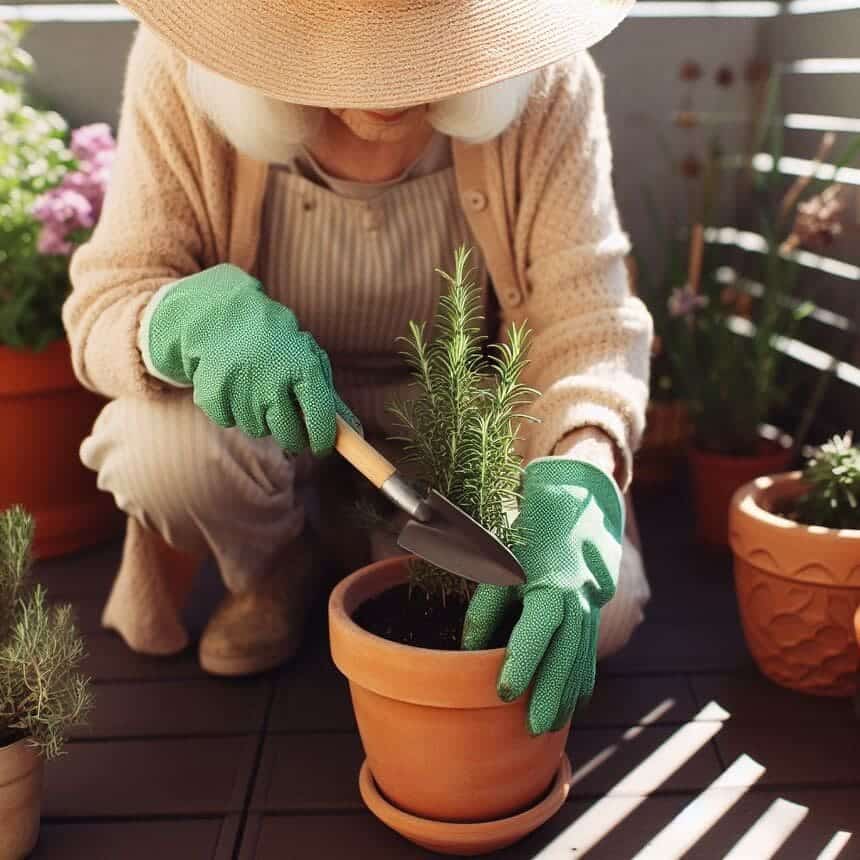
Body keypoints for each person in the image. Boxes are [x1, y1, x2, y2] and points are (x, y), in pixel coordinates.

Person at [64, 0, 653, 735]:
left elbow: (588, 318)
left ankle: (380, 558)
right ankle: (275, 566)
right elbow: (106, 301)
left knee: (606, 605)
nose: (386, 90)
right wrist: (176, 319)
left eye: (417, 48)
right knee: (159, 451)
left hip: (458, 440)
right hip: (268, 436)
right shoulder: (183, 67)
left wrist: (582, 467)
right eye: (355, 51)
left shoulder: (547, 81)